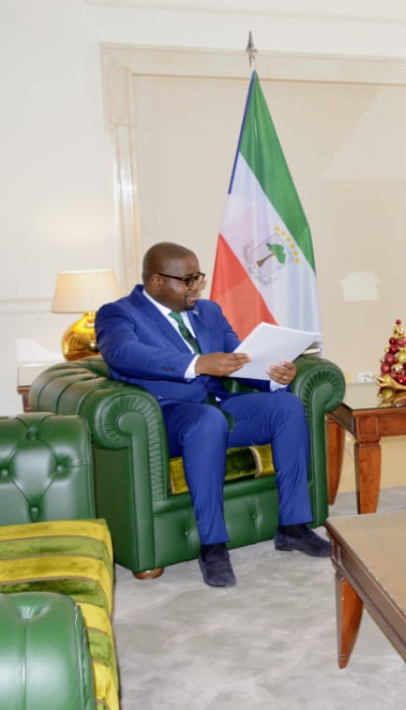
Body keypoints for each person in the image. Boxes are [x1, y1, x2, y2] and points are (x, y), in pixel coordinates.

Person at [96, 242, 329, 588]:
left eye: (198, 277)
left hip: (216, 406)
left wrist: (274, 374)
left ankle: (293, 526)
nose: (196, 287)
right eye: (187, 280)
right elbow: (124, 354)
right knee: (207, 421)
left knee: (287, 406)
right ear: (157, 281)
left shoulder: (209, 311)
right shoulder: (119, 313)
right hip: (165, 418)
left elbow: (240, 359)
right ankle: (213, 546)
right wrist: (197, 363)